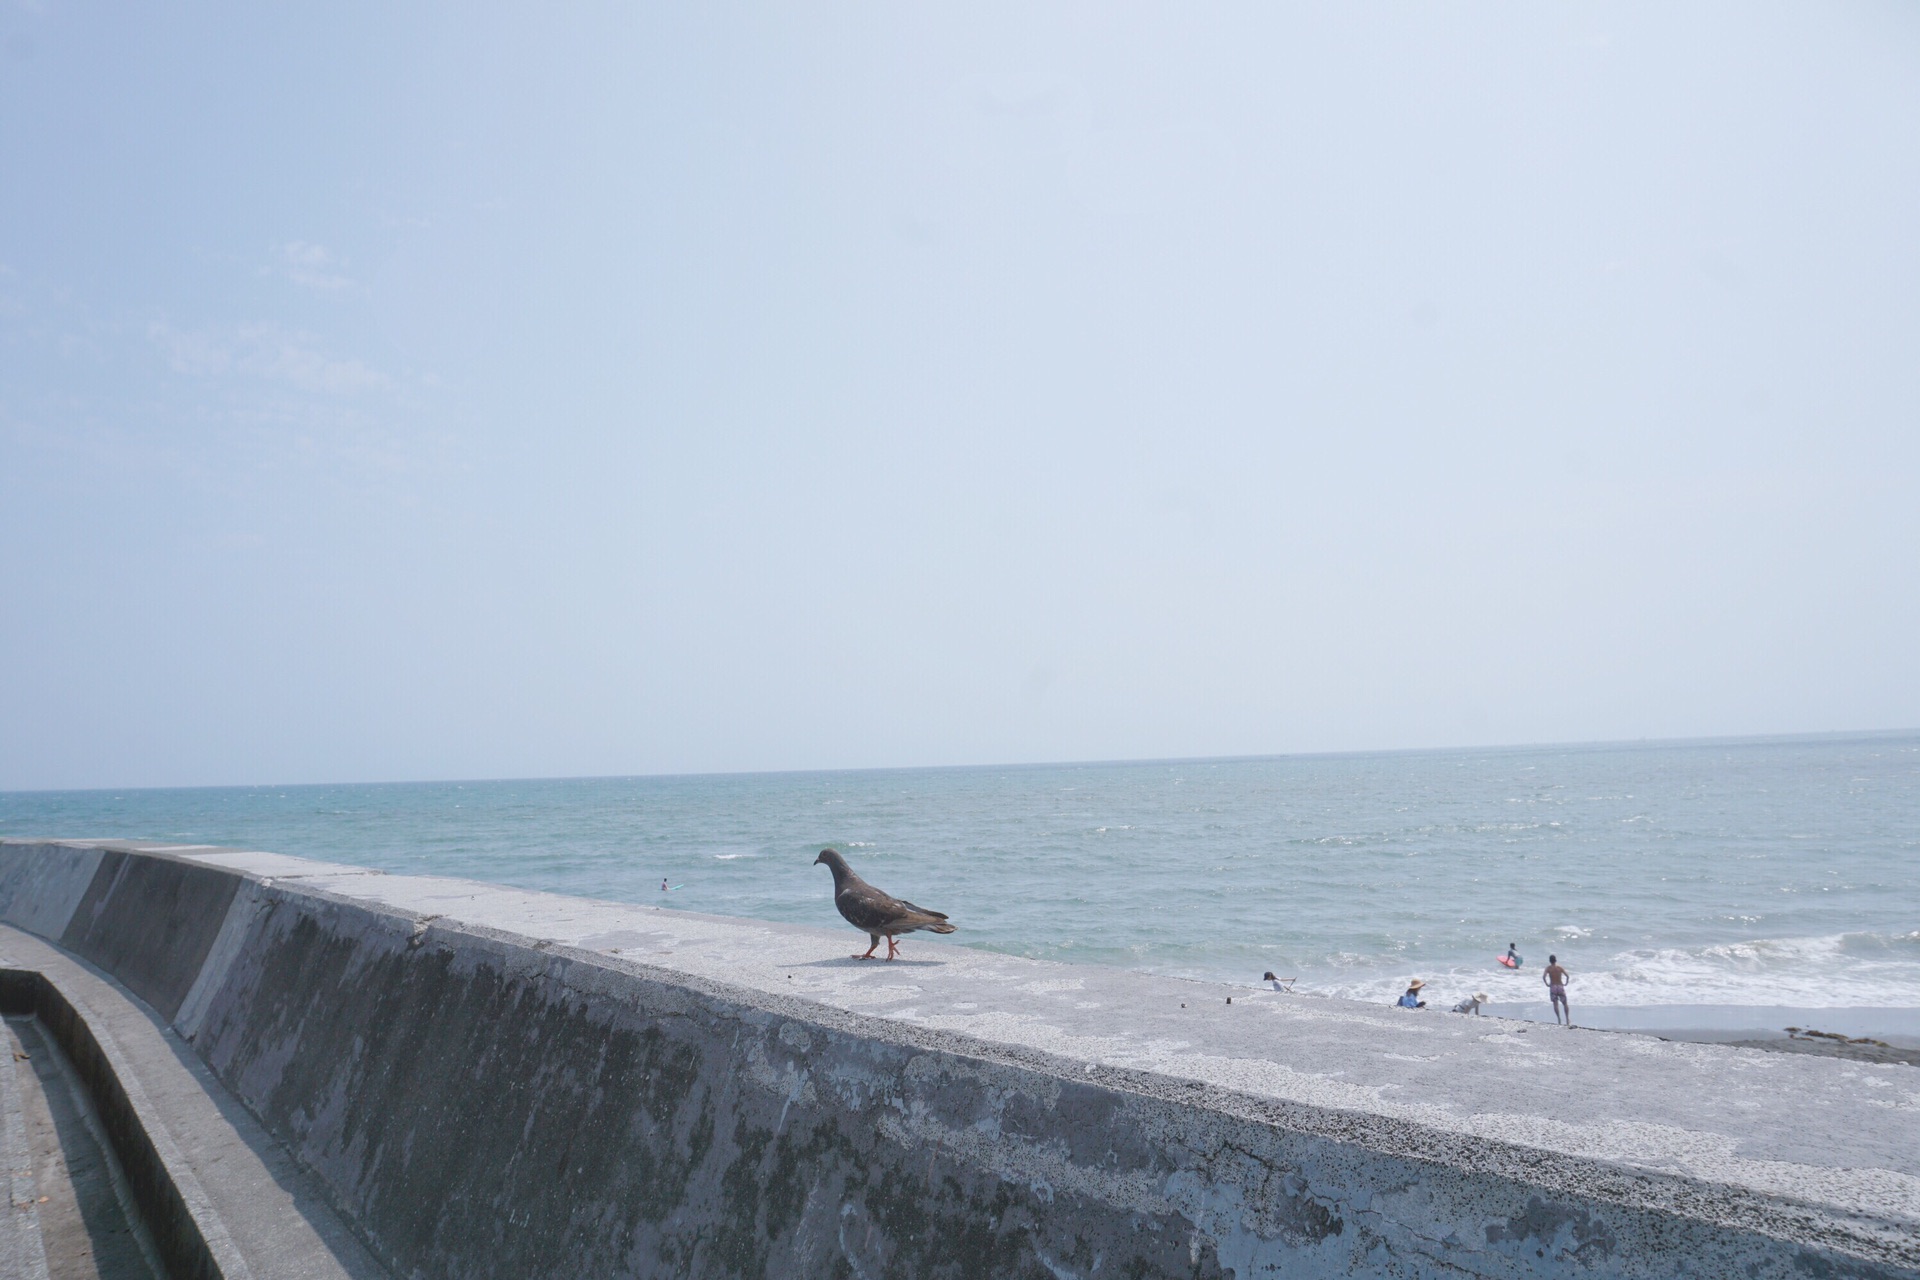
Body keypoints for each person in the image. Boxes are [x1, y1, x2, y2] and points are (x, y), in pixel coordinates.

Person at [1543, 955, 1571, 1026]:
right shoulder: (1559, 968)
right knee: (1565, 1003)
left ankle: (1559, 1019)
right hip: (1560, 986)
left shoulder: (1548, 968)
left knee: (1555, 1004)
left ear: (1550, 961)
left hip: (1553, 987)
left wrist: (1547, 984)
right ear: (1556, 960)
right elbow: (1567, 976)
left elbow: (1544, 977)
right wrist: (1566, 983)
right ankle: (1567, 1019)